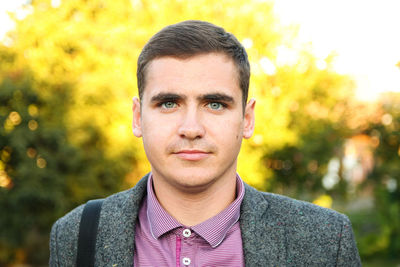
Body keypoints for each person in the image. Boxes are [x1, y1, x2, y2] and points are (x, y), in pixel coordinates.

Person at [49, 20, 361, 266]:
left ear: (247, 119)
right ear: (138, 117)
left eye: (215, 104)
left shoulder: (324, 240)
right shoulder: (77, 235)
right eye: (169, 103)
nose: (191, 128)